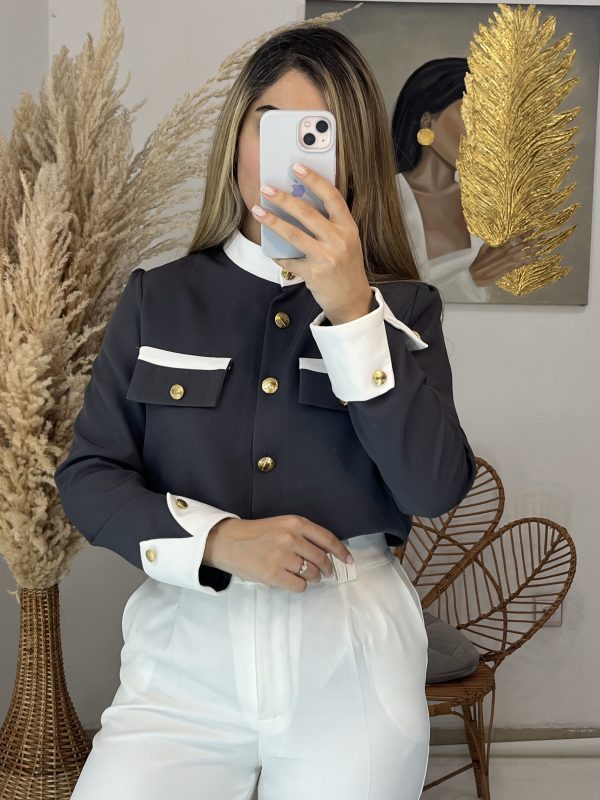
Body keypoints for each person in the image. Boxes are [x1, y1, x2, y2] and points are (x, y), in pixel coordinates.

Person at [54, 24, 477, 800]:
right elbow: (87, 476)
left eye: (321, 133)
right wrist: (218, 539)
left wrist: (353, 310)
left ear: (352, 156)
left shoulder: (405, 308)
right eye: (272, 126)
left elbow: (432, 487)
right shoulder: (159, 299)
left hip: (350, 660)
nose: (293, 156)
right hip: (180, 663)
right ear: (237, 139)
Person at [392, 57, 532, 303]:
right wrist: (470, 279)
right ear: (427, 121)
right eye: (470, 115)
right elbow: (386, 300)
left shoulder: (493, 202)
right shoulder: (386, 202)